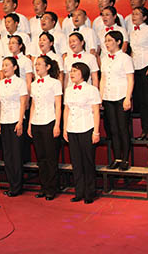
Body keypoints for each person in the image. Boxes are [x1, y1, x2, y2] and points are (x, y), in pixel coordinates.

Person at [63, 62, 101, 205]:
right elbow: (66, 110)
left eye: (75, 71)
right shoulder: (68, 90)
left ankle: (90, 192)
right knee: (76, 162)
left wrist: (96, 131)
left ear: (83, 73)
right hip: (72, 128)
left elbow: (96, 111)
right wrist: (65, 129)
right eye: (71, 71)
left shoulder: (91, 90)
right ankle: (79, 192)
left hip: (87, 128)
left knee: (88, 162)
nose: (71, 74)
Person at [28, 55, 63, 200]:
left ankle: (52, 188)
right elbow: (33, 105)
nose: (36, 67)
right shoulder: (34, 84)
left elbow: (58, 105)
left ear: (48, 67)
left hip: (49, 121)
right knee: (41, 158)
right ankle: (43, 186)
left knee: (51, 157)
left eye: (39, 64)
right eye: (35, 64)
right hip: (36, 122)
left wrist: (57, 125)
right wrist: (30, 124)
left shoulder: (55, 83)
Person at [100, 31, 134, 171]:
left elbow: (130, 79)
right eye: (106, 41)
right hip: (108, 97)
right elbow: (103, 79)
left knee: (123, 128)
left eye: (110, 40)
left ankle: (125, 159)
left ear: (118, 42)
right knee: (113, 129)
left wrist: (128, 97)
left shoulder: (125, 58)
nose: (107, 43)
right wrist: (100, 98)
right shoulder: (104, 59)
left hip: (121, 97)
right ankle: (117, 158)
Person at [0, 57, 28, 197]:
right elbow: (0, 104)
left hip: (16, 120)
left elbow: (23, 103)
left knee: (16, 155)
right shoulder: (0, 83)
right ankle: (11, 184)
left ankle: (17, 186)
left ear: (15, 67)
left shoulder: (20, 82)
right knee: (7, 155)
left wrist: (20, 121)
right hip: (4, 120)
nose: (4, 68)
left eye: (7, 65)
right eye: (3, 65)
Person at [129, 6, 148, 140]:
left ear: (145, 17)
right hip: (136, 68)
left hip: (147, 67)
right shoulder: (132, 32)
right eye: (133, 14)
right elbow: (132, 52)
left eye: (137, 14)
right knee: (140, 101)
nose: (133, 16)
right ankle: (144, 130)